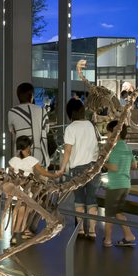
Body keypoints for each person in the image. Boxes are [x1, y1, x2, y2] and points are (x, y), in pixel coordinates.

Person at [58, 98, 101, 240]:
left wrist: (62, 168)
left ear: (69, 112)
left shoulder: (71, 128)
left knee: (79, 199)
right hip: (94, 168)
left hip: (78, 169)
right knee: (92, 198)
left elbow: (68, 150)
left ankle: (81, 230)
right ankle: (93, 231)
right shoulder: (91, 125)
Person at [8, 136, 61, 244]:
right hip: (26, 190)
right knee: (23, 211)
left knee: (20, 211)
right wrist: (54, 175)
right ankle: (15, 234)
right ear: (29, 147)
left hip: (16, 190)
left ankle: (22, 231)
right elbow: (42, 172)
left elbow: (10, 174)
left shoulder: (13, 160)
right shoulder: (31, 160)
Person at [102, 120, 137, 247]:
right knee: (118, 211)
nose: (107, 135)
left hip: (115, 185)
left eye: (108, 133)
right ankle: (129, 235)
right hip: (125, 184)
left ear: (115, 133)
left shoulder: (115, 149)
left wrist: (103, 163)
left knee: (109, 214)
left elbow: (114, 167)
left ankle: (108, 240)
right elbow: (134, 165)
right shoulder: (127, 148)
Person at [8, 83, 49, 167]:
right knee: (41, 180)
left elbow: (12, 130)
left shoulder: (12, 112)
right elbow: (47, 130)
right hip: (41, 158)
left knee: (21, 180)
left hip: (21, 160)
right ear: (32, 96)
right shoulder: (42, 111)